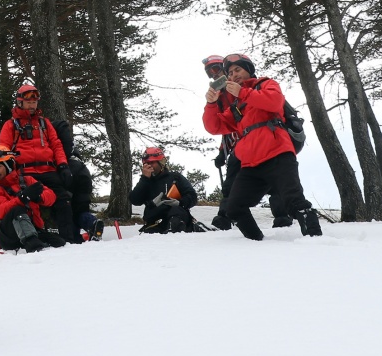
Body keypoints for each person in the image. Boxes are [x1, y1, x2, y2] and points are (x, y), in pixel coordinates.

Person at [203, 52, 322, 241]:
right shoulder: (236, 105)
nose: (234, 75)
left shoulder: (266, 84)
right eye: (230, 73)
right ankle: (257, 243)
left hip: (278, 154)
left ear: (249, 69)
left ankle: (316, 240)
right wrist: (210, 104)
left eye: (238, 69)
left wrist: (242, 93)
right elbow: (214, 127)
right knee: (234, 208)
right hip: (251, 164)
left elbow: (274, 102)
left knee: (294, 200)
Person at [202, 54, 292, 231]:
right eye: (210, 72)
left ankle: (282, 216)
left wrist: (241, 91)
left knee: (276, 177)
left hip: (266, 136)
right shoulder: (219, 94)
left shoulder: (251, 85)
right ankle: (224, 217)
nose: (214, 74)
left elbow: (269, 103)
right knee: (231, 181)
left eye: (217, 69)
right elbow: (223, 125)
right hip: (240, 142)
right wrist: (222, 151)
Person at [0, 81, 79, 243]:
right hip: (25, 173)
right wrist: (11, 173)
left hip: (49, 171)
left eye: (34, 102)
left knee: (63, 200)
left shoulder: (44, 123)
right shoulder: (10, 126)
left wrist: (62, 165)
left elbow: (56, 145)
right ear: (20, 102)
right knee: (27, 203)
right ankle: (32, 238)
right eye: (28, 102)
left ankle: (70, 240)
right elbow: (3, 150)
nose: (32, 105)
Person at [0, 144, 60, 252]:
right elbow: (0, 211)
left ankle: (33, 239)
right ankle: (33, 245)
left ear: (8, 165)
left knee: (59, 243)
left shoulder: (27, 180)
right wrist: (22, 198)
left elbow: (51, 196)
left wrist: (38, 198)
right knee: (16, 210)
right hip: (9, 236)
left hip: (34, 229)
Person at [53, 119, 102, 241]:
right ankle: (92, 223)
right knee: (81, 209)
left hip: (69, 172)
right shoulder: (69, 141)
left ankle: (74, 238)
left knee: (68, 210)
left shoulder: (54, 140)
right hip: (83, 171)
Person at [130, 146, 199, 233]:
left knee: (176, 212)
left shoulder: (175, 178)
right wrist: (144, 179)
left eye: (152, 163)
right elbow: (135, 200)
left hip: (177, 218)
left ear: (161, 162)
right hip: (155, 223)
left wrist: (180, 202)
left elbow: (192, 197)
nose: (149, 166)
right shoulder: (145, 182)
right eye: (146, 163)